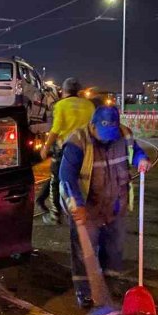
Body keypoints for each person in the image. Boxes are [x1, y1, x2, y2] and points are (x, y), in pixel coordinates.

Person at [59, 105, 150, 315]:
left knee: (114, 248)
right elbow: (66, 177)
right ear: (92, 125)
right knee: (84, 253)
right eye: (104, 133)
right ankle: (85, 291)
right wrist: (77, 204)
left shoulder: (123, 135)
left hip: (115, 204)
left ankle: (110, 285)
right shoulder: (77, 142)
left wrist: (141, 159)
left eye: (112, 134)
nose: (108, 139)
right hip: (87, 208)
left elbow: (134, 151)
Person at [38, 77, 95, 225]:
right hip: (85, 150)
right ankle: (86, 211)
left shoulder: (61, 105)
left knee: (56, 180)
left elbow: (56, 129)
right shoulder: (89, 105)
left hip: (65, 149)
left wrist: (45, 147)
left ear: (64, 91)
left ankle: (55, 214)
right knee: (84, 181)